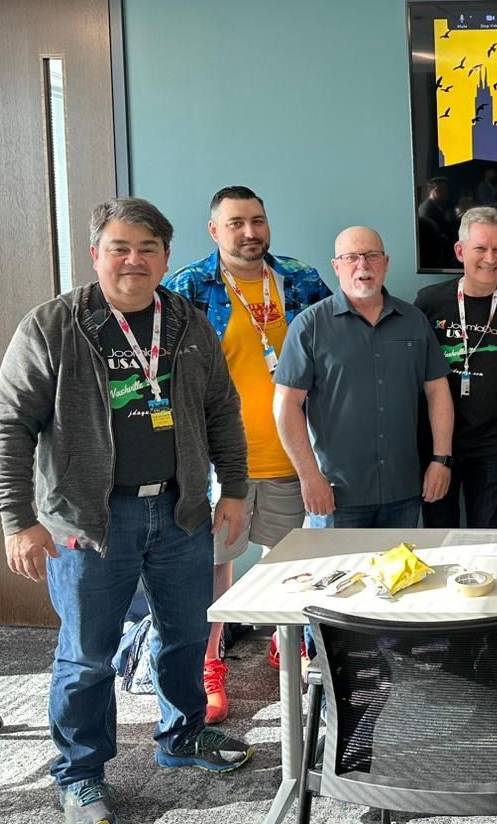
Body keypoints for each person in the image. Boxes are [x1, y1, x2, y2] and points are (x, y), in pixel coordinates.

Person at [0, 198, 254, 824]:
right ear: (95, 254)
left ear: (165, 256)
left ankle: (182, 736)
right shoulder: (52, 326)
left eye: (147, 249)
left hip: (181, 511)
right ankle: (79, 775)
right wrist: (17, 519)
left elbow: (222, 410)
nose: (134, 260)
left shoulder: (187, 322)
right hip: (88, 521)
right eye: (120, 248)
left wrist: (235, 490)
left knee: (186, 635)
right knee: (87, 655)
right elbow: (9, 427)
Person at [163, 186, 331, 721]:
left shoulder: (301, 281)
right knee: (214, 571)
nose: (250, 232)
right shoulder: (187, 288)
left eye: (257, 220)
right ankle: (209, 666)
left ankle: (287, 642)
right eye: (236, 223)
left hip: (291, 457)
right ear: (214, 231)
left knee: (291, 567)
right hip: (219, 467)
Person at [273, 226, 453, 533]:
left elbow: (438, 391)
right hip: (336, 495)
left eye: (372, 256)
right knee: (339, 567)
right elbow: (286, 405)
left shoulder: (414, 321)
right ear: (336, 266)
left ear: (386, 263)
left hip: (404, 491)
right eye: (351, 257)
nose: (363, 265)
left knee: (403, 566)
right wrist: (309, 477)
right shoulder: (310, 326)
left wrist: (441, 459)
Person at [415, 207, 497, 529]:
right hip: (437, 446)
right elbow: (413, 377)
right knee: (439, 536)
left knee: (488, 538)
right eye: (480, 248)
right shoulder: (429, 302)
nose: (490, 258)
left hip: (493, 449)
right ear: (460, 251)